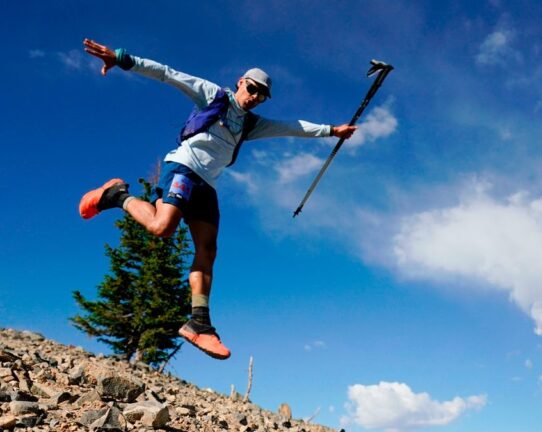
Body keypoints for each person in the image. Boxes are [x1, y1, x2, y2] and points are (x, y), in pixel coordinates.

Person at [78, 39, 357, 360]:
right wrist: (123, 59)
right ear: (241, 81)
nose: (254, 97)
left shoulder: (252, 124)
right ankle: (116, 195)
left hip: (207, 185)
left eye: (261, 96)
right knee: (162, 228)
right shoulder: (214, 96)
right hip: (184, 166)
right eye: (252, 89)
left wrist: (331, 130)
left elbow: (290, 127)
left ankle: (199, 323)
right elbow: (169, 74)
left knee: (207, 250)